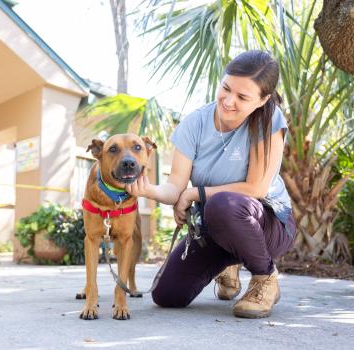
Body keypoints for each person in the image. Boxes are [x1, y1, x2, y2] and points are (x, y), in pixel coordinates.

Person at [126, 50, 296, 319]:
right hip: (215, 227)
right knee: (167, 295)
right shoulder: (194, 123)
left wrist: (196, 193)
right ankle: (230, 262)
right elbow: (174, 187)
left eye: (242, 97)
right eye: (226, 88)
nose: (228, 101)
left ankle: (265, 278)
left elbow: (256, 189)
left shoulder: (268, 119)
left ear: (262, 100)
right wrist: (147, 190)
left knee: (221, 204)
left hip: (268, 227)